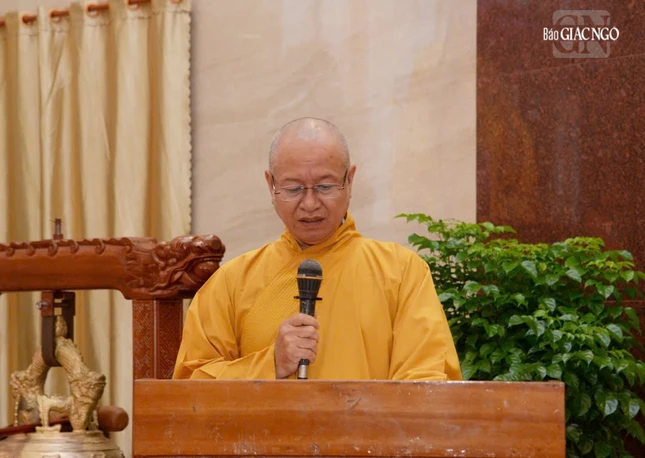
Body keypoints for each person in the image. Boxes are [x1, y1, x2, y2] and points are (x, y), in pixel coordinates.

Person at [173, 118, 461, 381]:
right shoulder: (231, 284)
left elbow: (428, 383)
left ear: (350, 181)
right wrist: (270, 364)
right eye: (294, 189)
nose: (310, 204)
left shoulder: (402, 273)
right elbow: (189, 391)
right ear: (271, 185)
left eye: (325, 187)